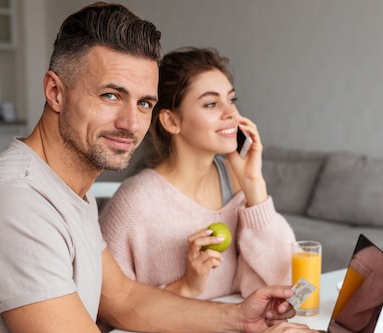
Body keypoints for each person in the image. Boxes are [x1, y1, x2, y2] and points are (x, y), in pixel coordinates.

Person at [0, 3, 329, 333]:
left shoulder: (67, 192)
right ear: (55, 91)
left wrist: (239, 318)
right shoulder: (15, 204)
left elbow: (124, 300)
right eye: (111, 95)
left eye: (145, 103)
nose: (131, 123)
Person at [99, 47, 295, 299]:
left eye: (231, 100)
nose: (231, 113)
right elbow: (108, 308)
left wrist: (254, 184)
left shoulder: (234, 183)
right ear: (171, 121)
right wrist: (187, 286)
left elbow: (285, 282)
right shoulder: (135, 202)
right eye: (211, 104)